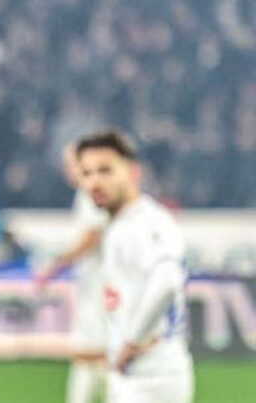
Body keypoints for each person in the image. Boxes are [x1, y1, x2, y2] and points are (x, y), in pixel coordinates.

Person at [77, 130, 193, 403]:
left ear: (133, 172)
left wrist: (132, 341)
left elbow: (167, 281)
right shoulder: (120, 225)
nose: (94, 182)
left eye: (105, 170)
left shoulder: (148, 222)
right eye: (87, 173)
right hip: (133, 376)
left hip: (154, 377)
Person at [36, 142, 109, 403]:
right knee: (96, 354)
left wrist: (57, 265)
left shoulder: (93, 194)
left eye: (70, 164)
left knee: (90, 353)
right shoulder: (89, 194)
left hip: (103, 285)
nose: (66, 170)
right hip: (95, 283)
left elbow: (93, 236)